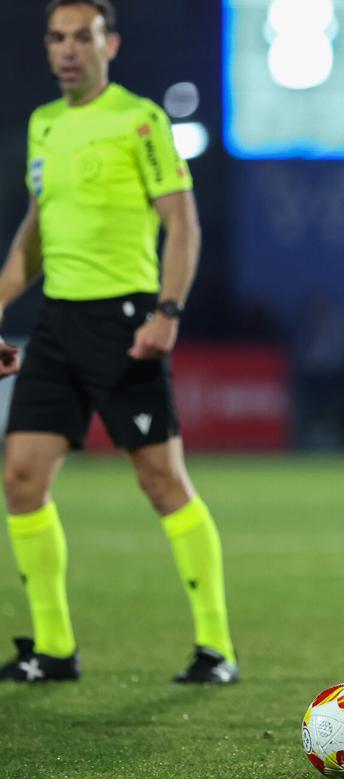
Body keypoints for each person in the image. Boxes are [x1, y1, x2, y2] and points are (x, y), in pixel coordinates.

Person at [0, 0, 237, 684]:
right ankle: (53, 649)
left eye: (82, 36)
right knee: (20, 479)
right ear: (47, 48)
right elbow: (34, 235)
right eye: (57, 38)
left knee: (162, 482)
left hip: (126, 322)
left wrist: (168, 310)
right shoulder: (45, 125)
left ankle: (216, 648)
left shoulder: (141, 119)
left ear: (111, 44)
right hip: (56, 325)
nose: (68, 49)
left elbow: (183, 226)